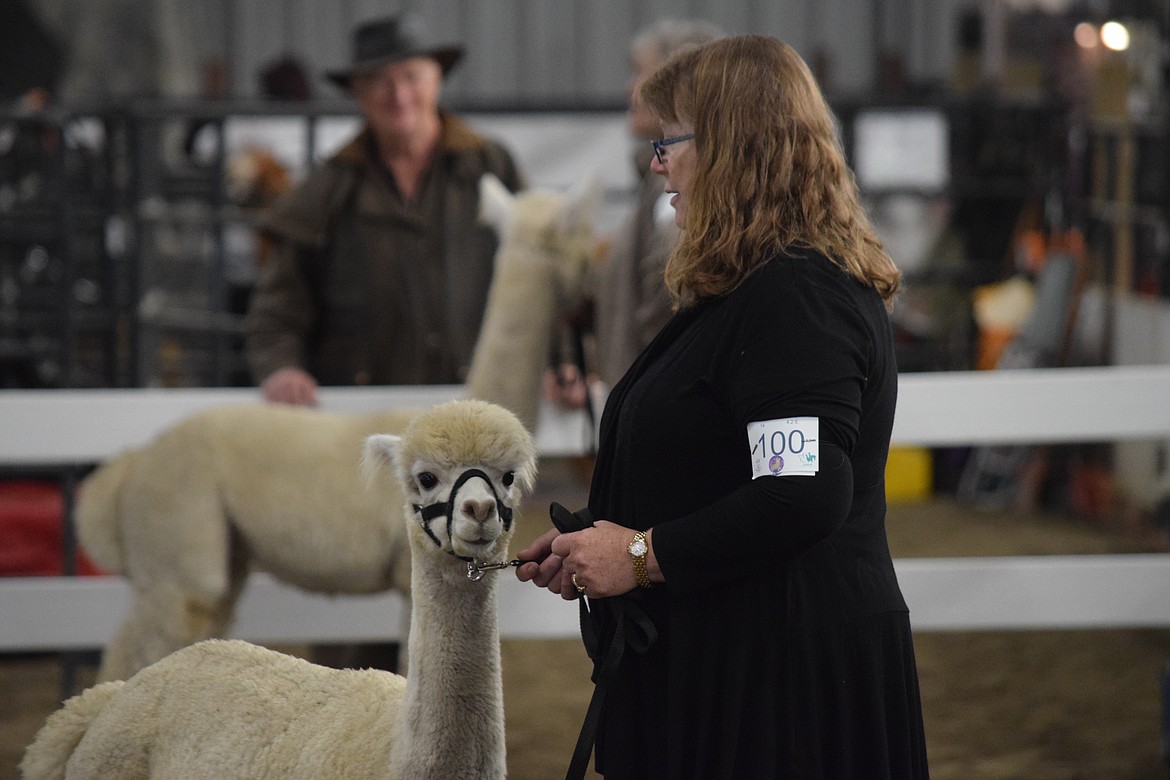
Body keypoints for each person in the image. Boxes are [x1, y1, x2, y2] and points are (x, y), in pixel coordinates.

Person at [516, 35, 929, 778]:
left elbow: (800, 492)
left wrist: (639, 557)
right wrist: (604, 542)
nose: (657, 163)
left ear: (734, 148)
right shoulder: (748, 290)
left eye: (669, 140)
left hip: (783, 694)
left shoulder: (796, 295)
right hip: (740, 668)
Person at [245, 13, 524, 406]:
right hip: (360, 418)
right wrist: (280, 368)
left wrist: (560, 361)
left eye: (411, 76)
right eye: (380, 80)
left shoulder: (490, 167)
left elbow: (538, 275)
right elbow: (279, 305)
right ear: (357, 92)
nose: (399, 94)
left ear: (436, 79)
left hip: (480, 404)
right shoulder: (330, 187)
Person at [546, 19, 722, 407]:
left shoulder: (675, 189)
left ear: (677, 84)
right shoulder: (656, 184)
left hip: (658, 411)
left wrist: (644, 387)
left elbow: (672, 292)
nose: (629, 88)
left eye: (640, 74)